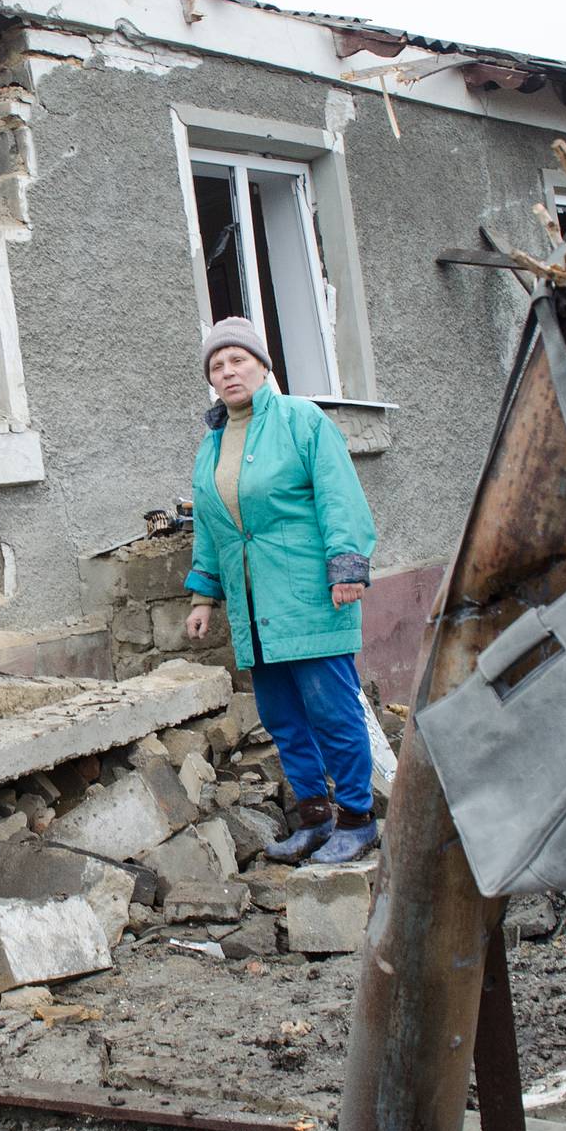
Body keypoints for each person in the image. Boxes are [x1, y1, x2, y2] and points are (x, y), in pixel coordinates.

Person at [184, 316, 379, 864]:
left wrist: (347, 568)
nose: (227, 372)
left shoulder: (302, 421)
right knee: (284, 719)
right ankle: (315, 822)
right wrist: (204, 597)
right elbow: (211, 527)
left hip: (310, 596)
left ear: (263, 366)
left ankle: (359, 820)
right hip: (254, 608)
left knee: (333, 712)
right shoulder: (212, 446)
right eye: (216, 366)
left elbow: (339, 495)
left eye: (237, 360)